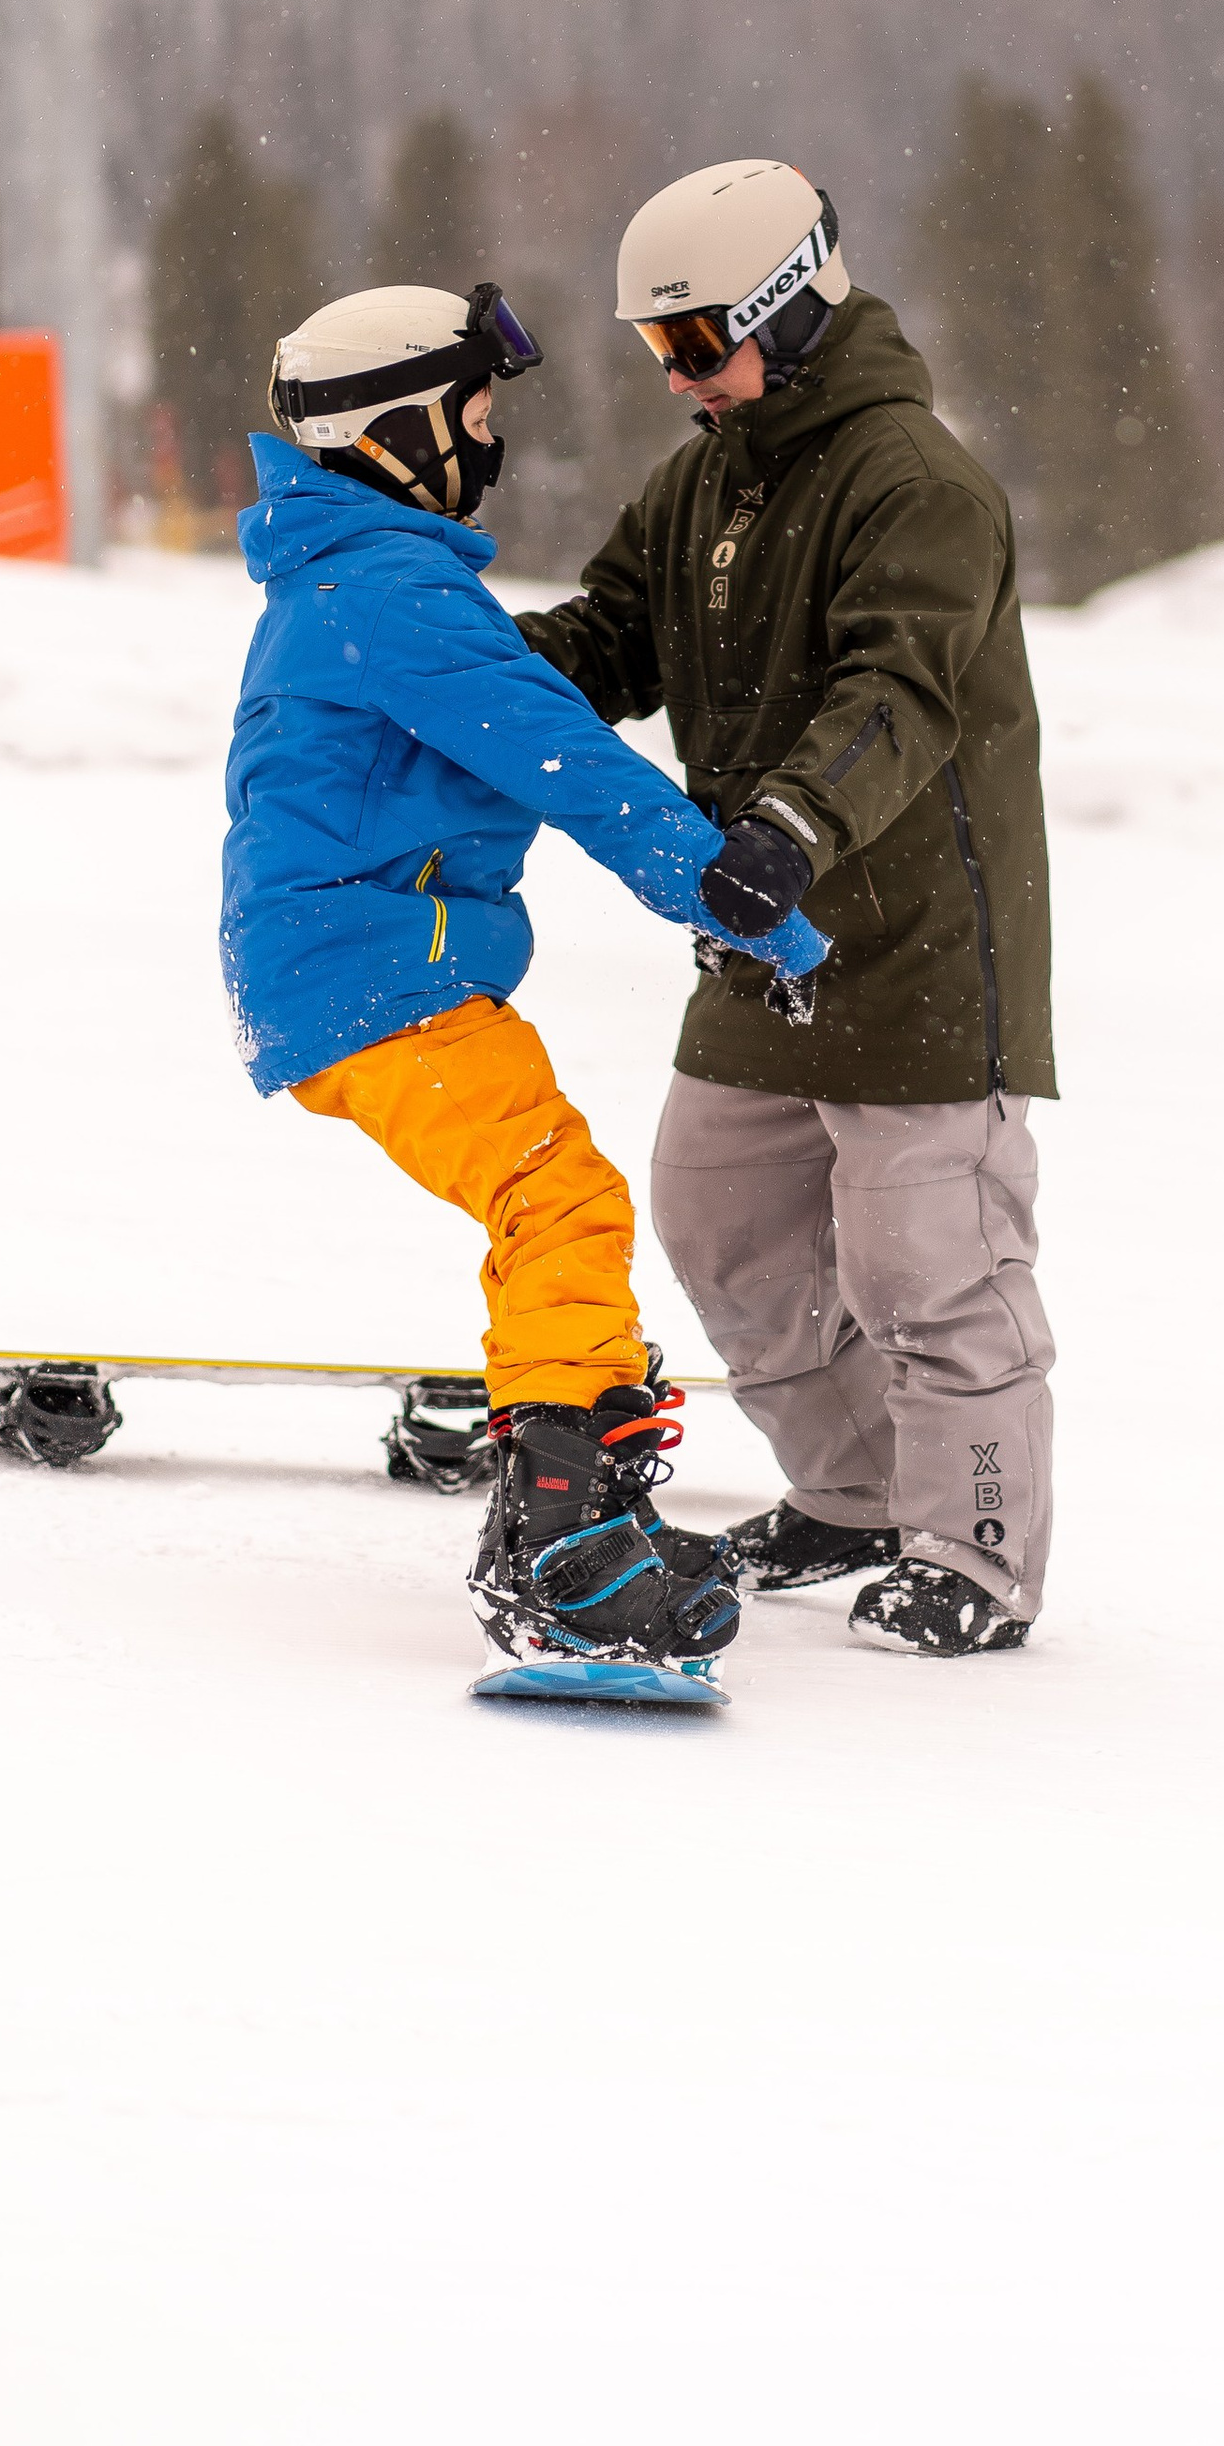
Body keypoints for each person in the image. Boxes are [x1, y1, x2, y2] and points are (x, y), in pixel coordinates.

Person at [218, 274, 829, 1692]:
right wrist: (753, 913)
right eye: (474, 413)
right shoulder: (390, 591)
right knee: (560, 1195)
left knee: (541, 1195)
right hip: (373, 975)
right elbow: (576, 766)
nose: (490, 441)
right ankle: (565, 1546)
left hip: (362, 967)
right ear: (399, 430)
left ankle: (559, 1471)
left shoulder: (359, 571)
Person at [516, 161, 1056, 1659]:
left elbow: (899, 689)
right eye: (656, 355)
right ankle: (858, 1492)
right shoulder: (706, 481)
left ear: (792, 314)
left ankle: (980, 1548)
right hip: (762, 932)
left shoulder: (919, 485)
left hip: (922, 946)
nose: (680, 384)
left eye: (697, 347)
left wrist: (791, 825)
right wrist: (464, 683)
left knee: (929, 1267)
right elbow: (612, 635)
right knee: (717, 1217)